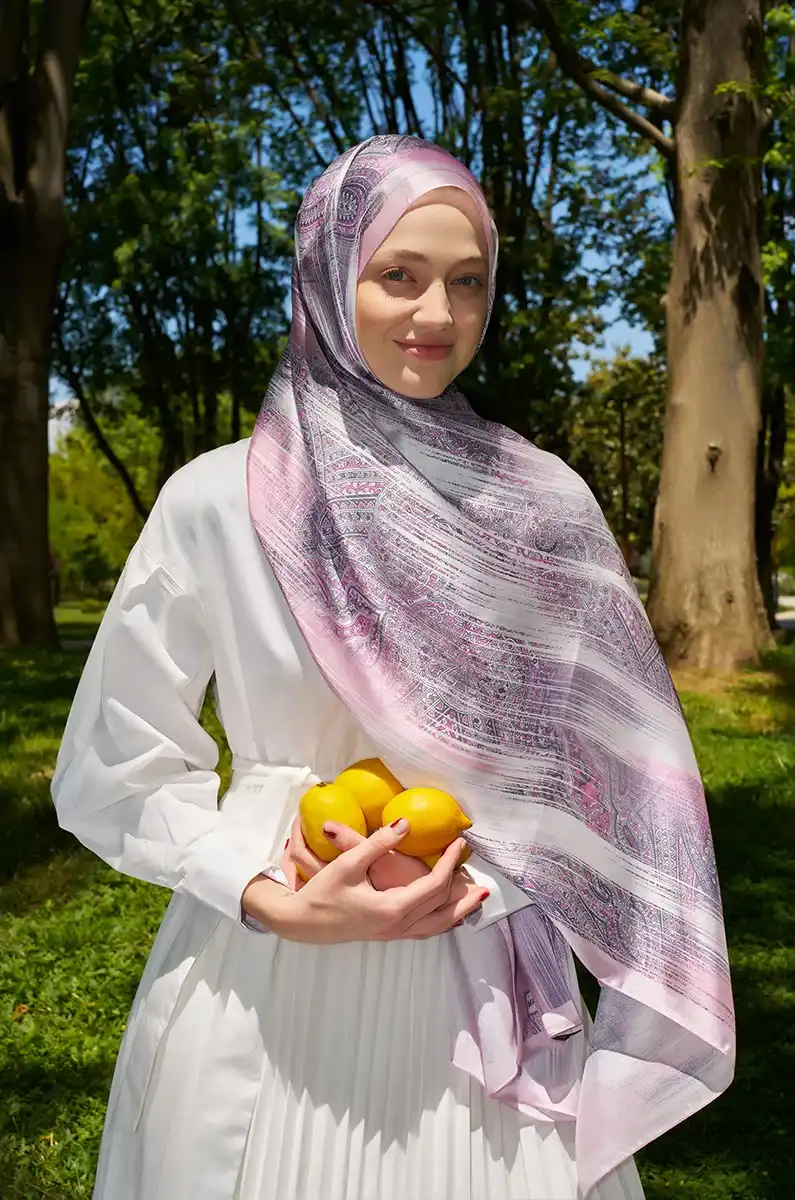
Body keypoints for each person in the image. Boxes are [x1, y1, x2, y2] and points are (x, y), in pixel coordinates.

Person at [51, 135, 734, 1200]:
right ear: (328, 278)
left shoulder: (541, 506)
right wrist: (267, 896)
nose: (436, 314)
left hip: (476, 957)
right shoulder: (219, 499)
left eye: (467, 282)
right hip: (263, 973)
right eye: (398, 275)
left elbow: (609, 769)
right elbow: (111, 766)